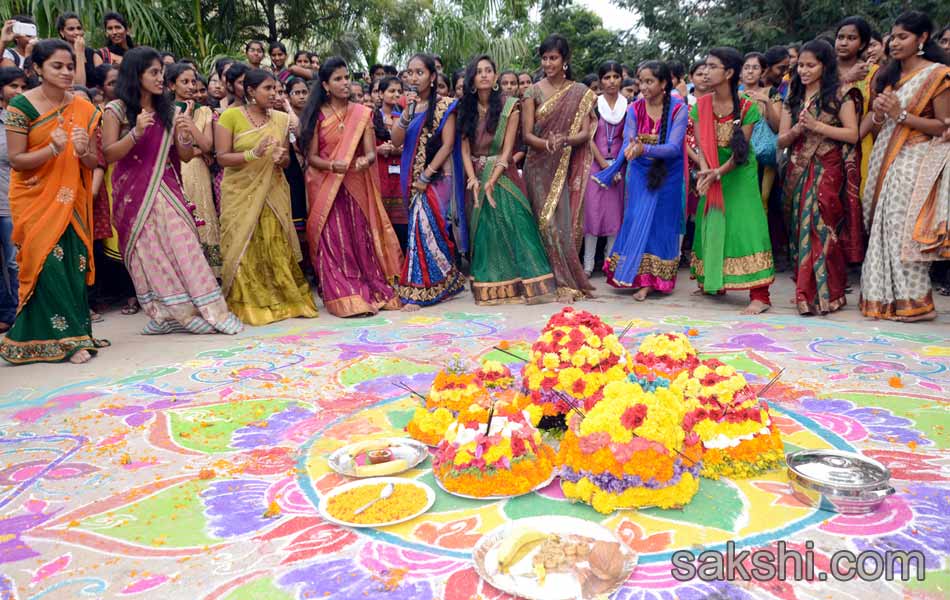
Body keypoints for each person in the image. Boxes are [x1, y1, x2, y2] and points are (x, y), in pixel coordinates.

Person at [101, 48, 241, 335]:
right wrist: (135, 134)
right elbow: (109, 154)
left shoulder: (169, 110)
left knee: (185, 246)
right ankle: (169, 314)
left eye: (160, 73)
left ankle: (207, 309)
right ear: (135, 74)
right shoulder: (116, 110)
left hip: (168, 189)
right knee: (150, 254)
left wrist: (186, 134)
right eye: (153, 72)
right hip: (134, 195)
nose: (160, 78)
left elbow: (186, 156)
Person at [0, 40, 107, 364]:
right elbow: (17, 160)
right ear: (37, 69)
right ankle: (65, 341)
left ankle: (74, 335)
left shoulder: (84, 109)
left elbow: (90, 163)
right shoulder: (22, 106)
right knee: (46, 266)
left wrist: (84, 148)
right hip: (33, 197)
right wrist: (53, 149)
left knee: (72, 266)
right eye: (56, 66)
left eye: (69, 66)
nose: (65, 72)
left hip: (70, 198)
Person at [858, 11, 950, 322]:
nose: (894, 43)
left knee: (902, 229)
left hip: (917, 158)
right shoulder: (888, 75)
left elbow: (942, 125)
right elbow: (875, 122)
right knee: (884, 226)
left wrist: (900, 115)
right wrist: (882, 114)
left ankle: (915, 302)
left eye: (902, 37)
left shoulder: (937, 75)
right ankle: (885, 301)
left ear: (922, 38)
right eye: (892, 37)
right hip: (886, 155)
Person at [298, 57, 403, 317]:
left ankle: (365, 289)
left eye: (347, 78)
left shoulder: (361, 114)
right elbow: (311, 158)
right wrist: (333, 166)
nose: (345, 83)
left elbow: (370, 154)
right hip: (327, 186)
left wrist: (361, 162)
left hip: (355, 184)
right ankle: (342, 294)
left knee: (358, 240)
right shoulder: (317, 115)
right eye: (338, 79)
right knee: (334, 241)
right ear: (325, 85)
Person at [215, 68, 318, 324]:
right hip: (241, 193)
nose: (274, 94)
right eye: (268, 89)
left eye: (275, 89)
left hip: (273, 190)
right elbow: (222, 157)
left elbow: (283, 161)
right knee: (244, 244)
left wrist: (283, 159)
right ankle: (250, 302)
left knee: (274, 242)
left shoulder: (281, 119)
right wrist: (253, 154)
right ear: (250, 91)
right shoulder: (229, 117)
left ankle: (284, 298)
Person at [459, 54, 555, 305]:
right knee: (487, 231)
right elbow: (465, 150)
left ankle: (529, 284)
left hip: (504, 174)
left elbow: (507, 151)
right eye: (478, 71)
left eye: (488, 70)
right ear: (472, 78)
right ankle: (493, 285)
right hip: (477, 177)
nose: (484, 75)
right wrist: (473, 179)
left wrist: (492, 178)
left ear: (495, 76)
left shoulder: (510, 105)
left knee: (516, 223)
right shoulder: (465, 108)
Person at [689, 47, 775, 315]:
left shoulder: (748, 107)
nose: (705, 71)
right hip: (712, 172)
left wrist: (716, 173)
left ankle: (760, 295)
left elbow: (740, 154)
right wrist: (706, 172)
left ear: (728, 73)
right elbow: (702, 146)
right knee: (711, 223)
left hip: (739, 174)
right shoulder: (700, 106)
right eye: (704, 66)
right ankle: (714, 282)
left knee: (746, 228)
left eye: (712, 66)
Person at [778, 40, 859, 316]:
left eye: (810, 65)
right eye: (800, 65)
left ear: (825, 66)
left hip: (827, 167)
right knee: (800, 225)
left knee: (820, 224)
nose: (804, 70)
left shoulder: (840, 95)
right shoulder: (793, 95)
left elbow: (852, 134)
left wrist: (818, 126)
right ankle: (806, 292)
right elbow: (781, 140)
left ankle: (828, 293)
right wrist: (798, 131)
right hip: (798, 167)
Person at [597, 61, 687, 299]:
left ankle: (655, 281)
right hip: (639, 172)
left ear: (664, 83)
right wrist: (628, 152)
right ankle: (639, 276)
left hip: (668, 173)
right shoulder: (634, 108)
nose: (643, 87)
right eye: (641, 82)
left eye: (649, 82)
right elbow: (629, 139)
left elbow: (674, 148)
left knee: (660, 222)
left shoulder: (678, 108)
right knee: (637, 217)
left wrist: (643, 149)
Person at [522, 34, 596, 302]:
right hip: (537, 164)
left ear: (565, 60)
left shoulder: (579, 93)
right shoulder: (532, 91)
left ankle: (564, 280)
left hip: (561, 163)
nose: (548, 63)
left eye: (553, 58)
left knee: (559, 223)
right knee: (542, 223)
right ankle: (546, 281)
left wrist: (564, 140)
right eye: (544, 58)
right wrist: (547, 144)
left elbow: (586, 133)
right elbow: (527, 135)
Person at [389, 53, 466, 310]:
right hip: (408, 173)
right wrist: (406, 113)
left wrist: (425, 176)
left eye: (419, 72)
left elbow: (447, 145)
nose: (413, 77)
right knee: (417, 228)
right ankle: (447, 280)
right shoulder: (406, 104)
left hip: (435, 177)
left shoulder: (446, 106)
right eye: (409, 72)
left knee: (428, 228)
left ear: (432, 77)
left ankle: (426, 285)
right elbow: (397, 141)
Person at [167, 62, 222, 277]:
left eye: (193, 82)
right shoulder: (163, 109)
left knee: (203, 214)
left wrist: (189, 123)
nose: (191, 86)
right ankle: (182, 274)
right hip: (173, 170)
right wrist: (197, 150)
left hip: (197, 172)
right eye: (185, 82)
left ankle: (210, 273)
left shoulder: (204, 111)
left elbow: (208, 145)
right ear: (171, 85)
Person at [835, 16, 878, 264]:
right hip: (822, 144)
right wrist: (847, 78)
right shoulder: (822, 68)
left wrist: (854, 136)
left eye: (852, 38)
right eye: (841, 37)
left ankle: (855, 259)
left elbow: (874, 111)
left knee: (858, 200)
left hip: (860, 144)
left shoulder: (873, 73)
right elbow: (818, 99)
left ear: (862, 44)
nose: (844, 43)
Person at [582, 61, 627, 277]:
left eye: (615, 77)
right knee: (592, 214)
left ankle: (610, 264)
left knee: (614, 216)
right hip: (595, 166)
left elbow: (629, 138)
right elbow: (588, 139)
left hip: (620, 166)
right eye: (607, 77)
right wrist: (604, 165)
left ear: (621, 78)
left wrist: (616, 166)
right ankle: (588, 266)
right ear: (600, 81)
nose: (611, 81)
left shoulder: (629, 105)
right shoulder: (592, 103)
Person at [0, 66, 25, 333]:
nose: (18, 92)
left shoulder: (20, 121)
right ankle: (6, 314)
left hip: (11, 202)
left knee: (14, 261)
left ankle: (23, 314)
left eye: (22, 87)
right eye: (13, 87)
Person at [374, 76, 407, 248]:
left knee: (402, 221)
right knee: (382, 219)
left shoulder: (405, 116)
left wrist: (400, 149)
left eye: (399, 91)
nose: (396, 94)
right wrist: (378, 149)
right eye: (391, 91)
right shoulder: (371, 117)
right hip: (379, 171)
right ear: (380, 93)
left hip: (401, 170)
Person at [285, 77, 310, 244]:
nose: (301, 96)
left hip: (312, 169)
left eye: (304, 92)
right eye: (297, 93)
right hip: (293, 172)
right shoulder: (283, 118)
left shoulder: (314, 115)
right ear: (288, 96)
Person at [56, 13, 102, 87]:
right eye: (71, 29)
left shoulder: (92, 54)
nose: (76, 32)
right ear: (62, 32)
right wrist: (79, 53)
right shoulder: (59, 54)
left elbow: (101, 81)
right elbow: (79, 86)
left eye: (79, 28)